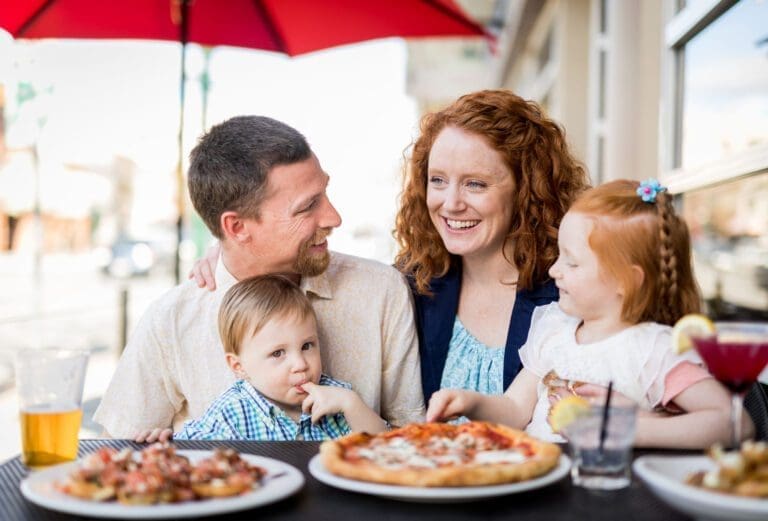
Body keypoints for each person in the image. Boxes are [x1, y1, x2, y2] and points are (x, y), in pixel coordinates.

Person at [93, 115, 424, 441]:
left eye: (323, 193)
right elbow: (117, 450)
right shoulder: (173, 320)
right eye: (307, 206)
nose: (334, 217)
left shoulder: (381, 292)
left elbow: (416, 441)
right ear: (237, 228)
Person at [426, 179, 737, 449]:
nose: (553, 270)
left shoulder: (654, 350)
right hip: (542, 486)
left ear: (626, 280)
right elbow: (515, 409)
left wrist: (627, 428)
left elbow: (732, 422)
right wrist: (471, 402)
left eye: (571, 263)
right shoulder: (553, 329)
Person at [393, 90, 590, 402]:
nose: (451, 203)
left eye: (475, 184)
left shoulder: (570, 291)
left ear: (526, 191)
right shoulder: (409, 286)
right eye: (438, 180)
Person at [175, 275, 386, 440]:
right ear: (238, 366)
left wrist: (351, 404)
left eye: (307, 346)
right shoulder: (231, 413)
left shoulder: (336, 397)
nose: (300, 364)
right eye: (278, 353)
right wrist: (158, 440)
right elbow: (187, 455)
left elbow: (385, 449)